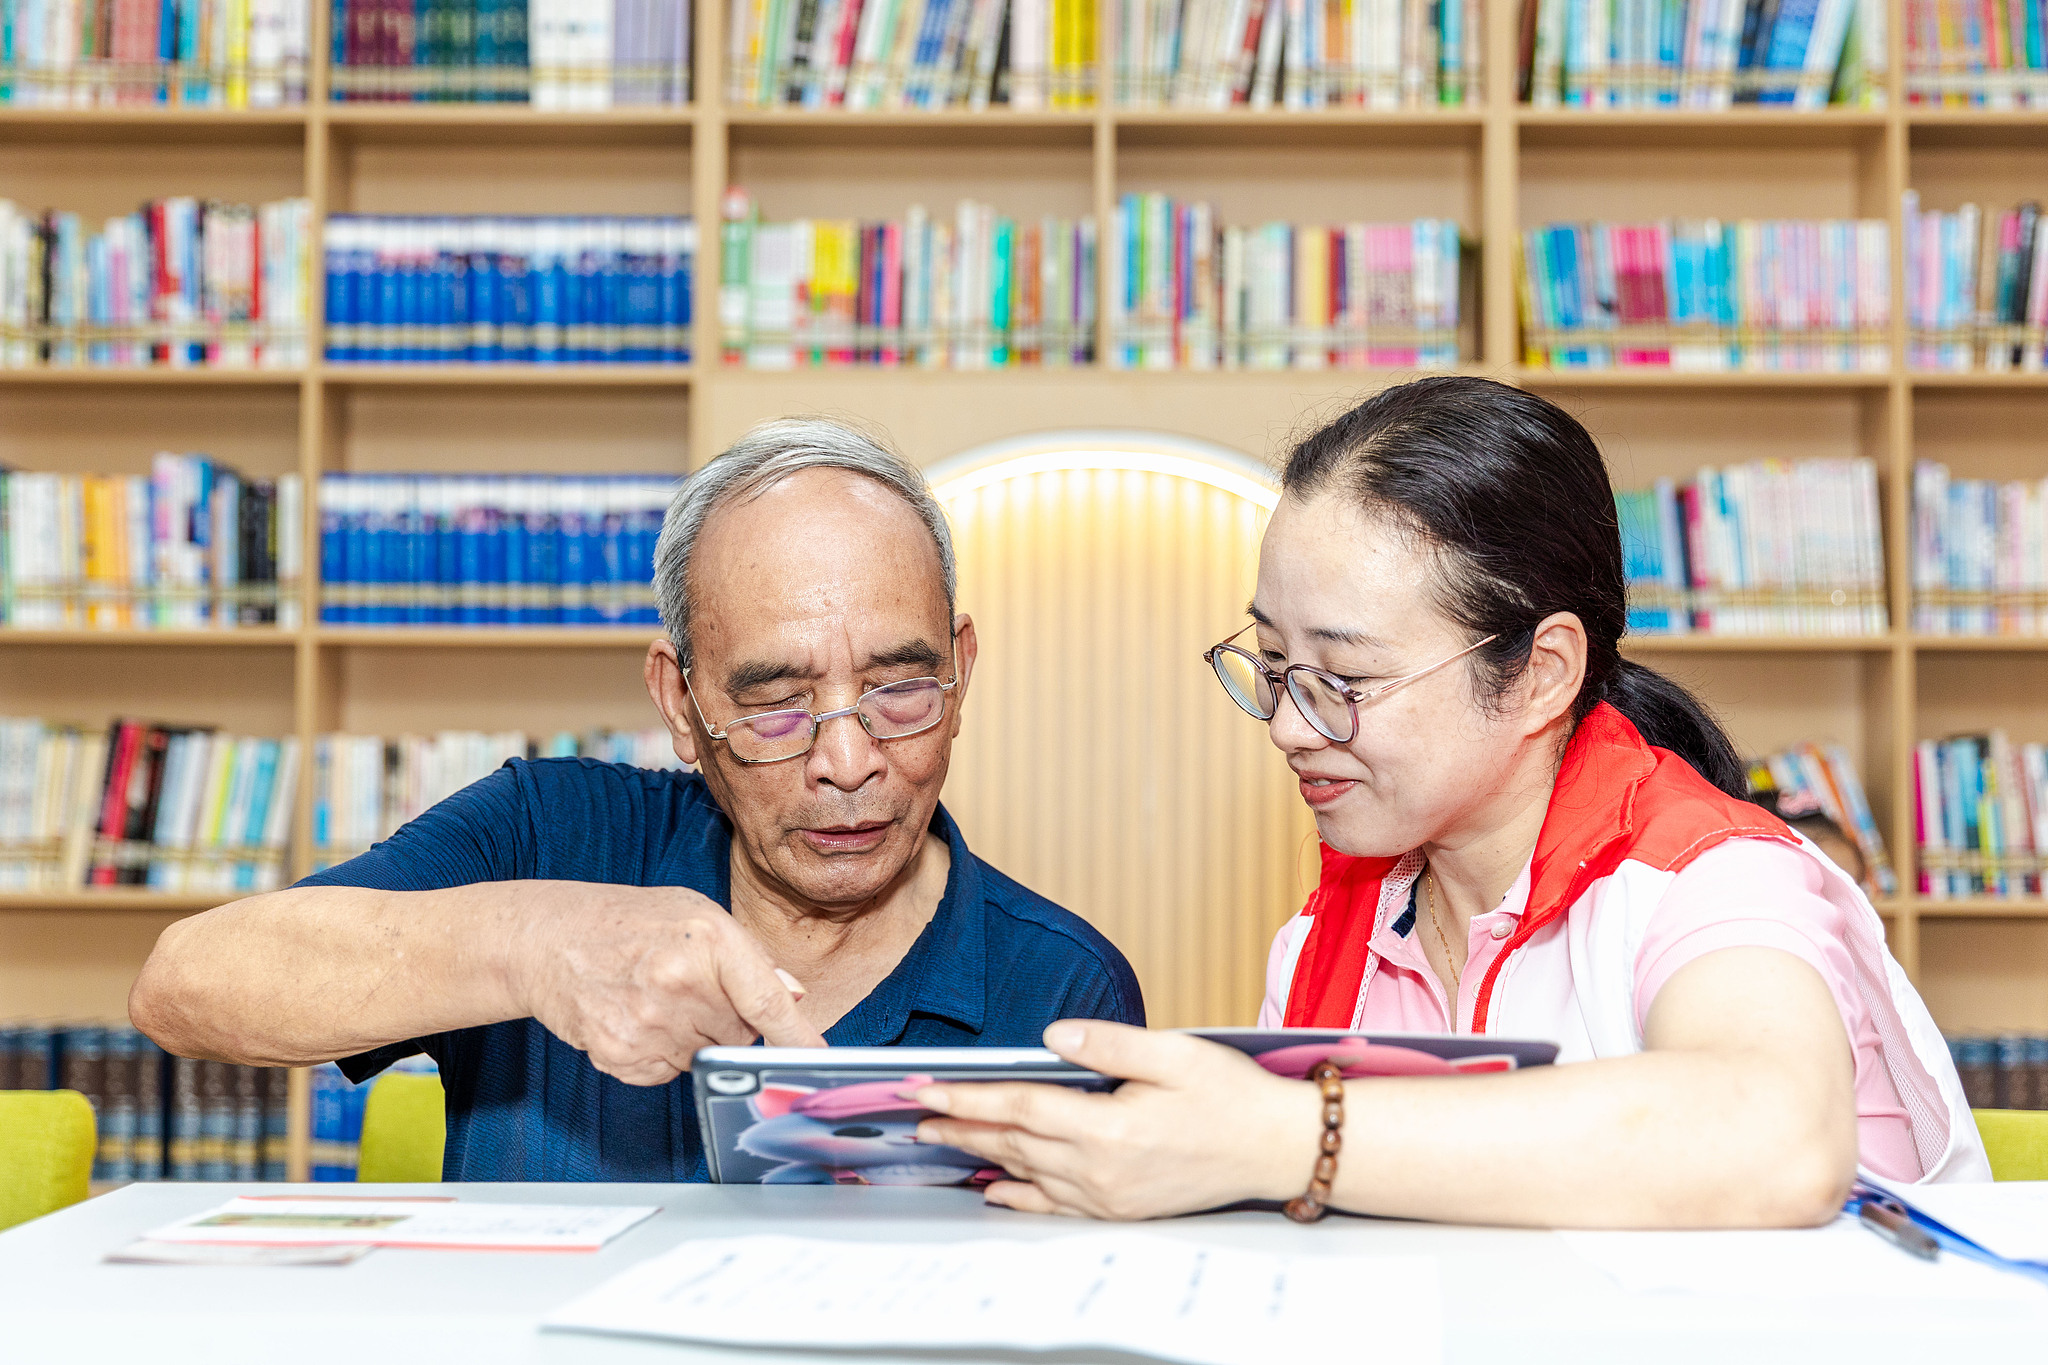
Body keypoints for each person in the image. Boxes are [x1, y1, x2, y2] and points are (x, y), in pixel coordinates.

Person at [914, 376, 1988, 1226]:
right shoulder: (1324, 939)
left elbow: (1773, 1138)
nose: (1291, 723)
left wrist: (1282, 1137)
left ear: (1538, 673)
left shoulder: (1709, 880)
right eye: (1276, 663)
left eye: (1343, 679)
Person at [130, 418, 1143, 1181]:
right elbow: (184, 986)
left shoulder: (1064, 993)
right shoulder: (547, 831)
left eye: (897, 691)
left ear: (960, 673)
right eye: (776, 701)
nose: (847, 760)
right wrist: (535, 944)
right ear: (680, 700)